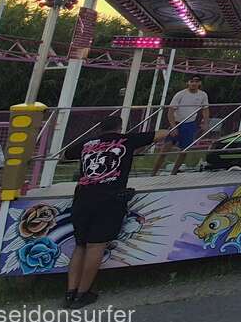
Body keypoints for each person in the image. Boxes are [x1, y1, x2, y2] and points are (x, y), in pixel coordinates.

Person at [62, 112, 167, 306]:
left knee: (80, 245)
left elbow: (66, 154)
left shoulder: (88, 143)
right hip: (109, 199)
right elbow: (160, 134)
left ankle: (70, 291)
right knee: (96, 246)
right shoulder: (126, 140)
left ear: (100, 129)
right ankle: (82, 293)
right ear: (119, 128)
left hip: (82, 197)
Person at [152, 75, 209, 175]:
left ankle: (173, 173)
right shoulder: (180, 94)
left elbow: (205, 109)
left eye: (196, 81)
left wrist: (205, 122)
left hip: (190, 123)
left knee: (184, 150)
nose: (193, 83)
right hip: (178, 122)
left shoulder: (203, 95)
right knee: (166, 148)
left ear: (199, 83)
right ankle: (153, 173)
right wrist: (173, 126)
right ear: (188, 83)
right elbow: (170, 111)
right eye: (191, 81)